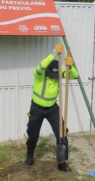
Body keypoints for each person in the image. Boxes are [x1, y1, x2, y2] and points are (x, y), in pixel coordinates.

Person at [24, 43, 79, 172]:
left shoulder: (58, 73)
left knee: (62, 133)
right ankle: (29, 157)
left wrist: (71, 65)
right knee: (33, 133)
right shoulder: (39, 75)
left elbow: (75, 75)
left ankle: (62, 163)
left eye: (57, 76)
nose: (55, 78)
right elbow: (41, 65)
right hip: (37, 109)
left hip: (52, 109)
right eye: (53, 76)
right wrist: (53, 53)